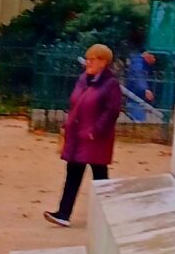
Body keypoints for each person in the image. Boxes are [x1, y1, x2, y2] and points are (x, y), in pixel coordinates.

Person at [44, 43, 124, 226]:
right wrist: (68, 125)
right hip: (78, 135)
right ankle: (63, 214)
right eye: (87, 58)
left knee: (100, 176)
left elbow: (111, 111)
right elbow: (76, 104)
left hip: (94, 138)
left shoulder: (110, 84)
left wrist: (95, 131)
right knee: (73, 173)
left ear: (103, 62)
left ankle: (107, 215)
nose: (88, 62)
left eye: (92, 59)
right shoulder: (83, 80)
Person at [122, 47, 159, 124]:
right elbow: (138, 76)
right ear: (147, 55)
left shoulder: (141, 63)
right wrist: (145, 89)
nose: (154, 60)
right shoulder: (138, 65)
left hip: (137, 99)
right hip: (135, 99)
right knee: (139, 122)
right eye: (154, 57)